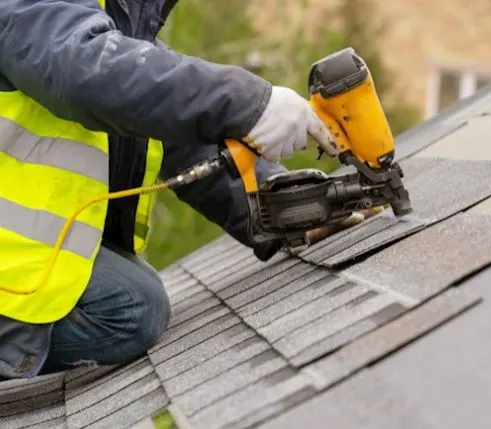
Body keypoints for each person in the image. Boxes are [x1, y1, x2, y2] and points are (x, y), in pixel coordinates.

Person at [0, 0, 372, 380]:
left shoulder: (113, 24)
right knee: (132, 307)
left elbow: (181, 135)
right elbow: (87, 71)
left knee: (135, 295)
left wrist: (286, 206)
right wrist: (248, 104)